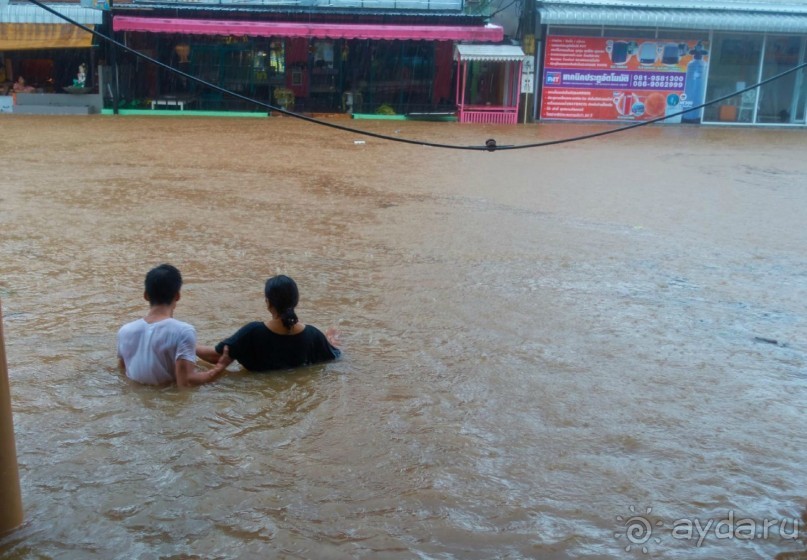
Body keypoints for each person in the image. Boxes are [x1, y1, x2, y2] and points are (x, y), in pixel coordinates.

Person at [197, 275, 341, 372]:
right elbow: (333, 356)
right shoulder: (313, 335)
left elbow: (216, 356)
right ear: (296, 301)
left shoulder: (252, 332)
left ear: (268, 302)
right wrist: (330, 339)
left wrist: (185, 343)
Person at [117, 264, 230, 387]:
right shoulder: (183, 331)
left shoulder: (125, 331)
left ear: (146, 296)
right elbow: (186, 382)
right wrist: (218, 369)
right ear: (177, 295)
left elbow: (123, 372)